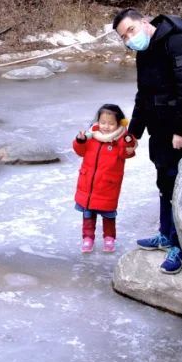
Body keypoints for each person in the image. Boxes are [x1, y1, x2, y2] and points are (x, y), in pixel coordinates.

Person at [112, 8, 182, 274]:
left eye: (131, 30)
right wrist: (133, 132)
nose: (129, 39)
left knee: (181, 187)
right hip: (160, 131)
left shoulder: (177, 42)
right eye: (124, 37)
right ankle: (166, 235)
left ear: (144, 22)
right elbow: (143, 96)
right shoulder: (144, 53)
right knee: (164, 182)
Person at [72, 103, 136, 253]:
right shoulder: (92, 136)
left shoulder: (120, 140)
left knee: (108, 215)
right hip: (88, 185)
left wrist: (127, 140)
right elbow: (80, 151)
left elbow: (128, 152)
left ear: (119, 123)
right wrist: (80, 140)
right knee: (88, 214)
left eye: (111, 123)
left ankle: (109, 238)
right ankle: (88, 238)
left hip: (107, 185)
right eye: (103, 122)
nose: (106, 126)